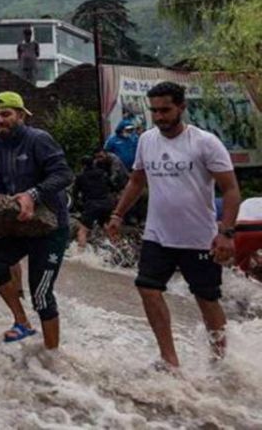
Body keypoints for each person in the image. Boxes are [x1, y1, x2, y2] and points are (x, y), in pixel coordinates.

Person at [106, 82, 240, 369]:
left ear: (181, 107)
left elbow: (230, 189)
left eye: (165, 110)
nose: (159, 117)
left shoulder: (205, 142)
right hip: (158, 234)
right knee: (147, 288)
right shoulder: (146, 140)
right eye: (154, 111)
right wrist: (117, 214)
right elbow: (137, 181)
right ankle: (170, 359)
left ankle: (220, 364)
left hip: (199, 237)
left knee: (206, 299)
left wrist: (226, 232)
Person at [0, 91, 74, 348]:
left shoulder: (38, 140)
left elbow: (64, 174)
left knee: (41, 294)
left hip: (51, 227)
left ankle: (52, 356)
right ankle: (21, 321)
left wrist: (33, 194)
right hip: (21, 226)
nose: (0, 120)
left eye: (6, 114)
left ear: (21, 115)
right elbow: (2, 187)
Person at [73, 156, 114, 250]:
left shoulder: (80, 177)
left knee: (82, 231)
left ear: (82, 165)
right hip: (107, 203)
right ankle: (117, 248)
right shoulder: (102, 173)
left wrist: (78, 206)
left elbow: (74, 194)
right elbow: (112, 186)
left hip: (92, 205)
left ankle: (80, 255)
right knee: (105, 226)